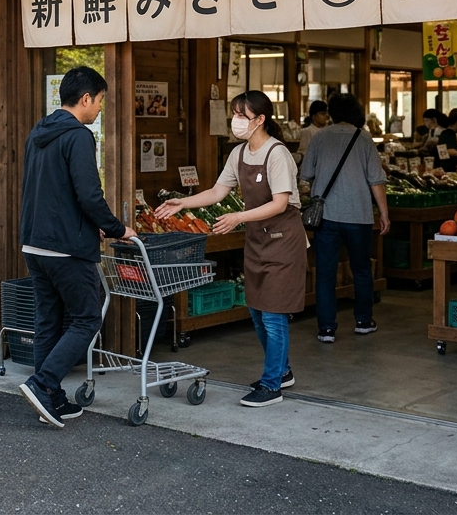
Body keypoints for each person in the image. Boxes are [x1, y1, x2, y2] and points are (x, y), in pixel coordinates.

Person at [156, 91, 305, 408]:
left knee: (274, 315)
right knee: (256, 311)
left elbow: (280, 203)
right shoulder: (238, 153)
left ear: (260, 119)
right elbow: (217, 191)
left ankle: (271, 385)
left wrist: (239, 217)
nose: (236, 121)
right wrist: (183, 202)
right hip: (257, 241)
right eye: (234, 115)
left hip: (284, 242)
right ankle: (282, 370)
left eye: (242, 115)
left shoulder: (278, 154)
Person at [18, 66, 135, 428]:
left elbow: (54, 192)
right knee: (87, 318)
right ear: (85, 99)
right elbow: (89, 195)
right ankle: (43, 384)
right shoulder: (79, 136)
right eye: (100, 101)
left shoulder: (39, 132)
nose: (100, 108)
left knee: (48, 322)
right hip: (67, 249)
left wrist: (90, 226)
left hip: (34, 243)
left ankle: (50, 398)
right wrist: (116, 228)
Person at [299, 93, 390, 344]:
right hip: (358, 216)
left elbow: (305, 174)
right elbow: (376, 180)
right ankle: (363, 321)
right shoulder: (364, 139)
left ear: (332, 113)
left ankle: (326, 328)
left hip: (326, 216)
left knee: (325, 272)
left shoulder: (319, 138)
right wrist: (384, 213)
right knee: (361, 269)